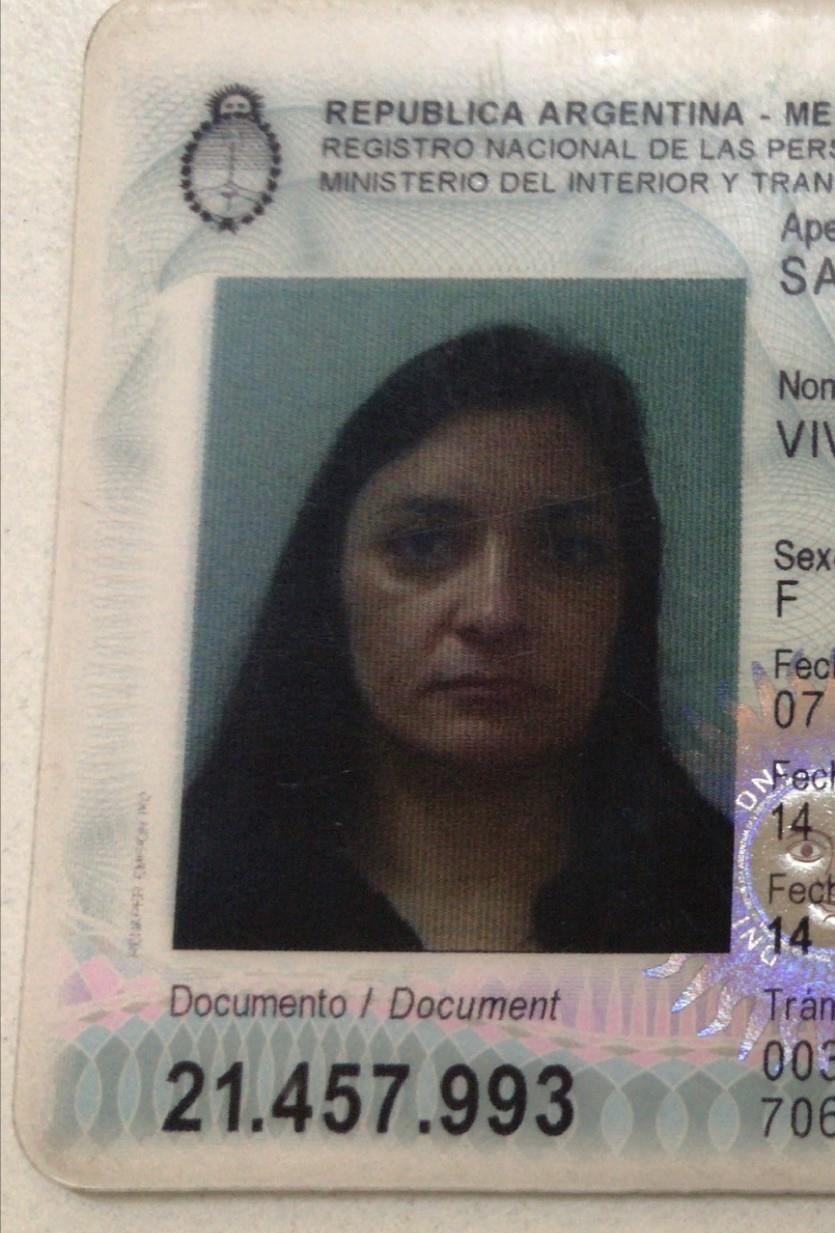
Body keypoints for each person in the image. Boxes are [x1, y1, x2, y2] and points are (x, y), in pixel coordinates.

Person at [175, 324, 733, 952]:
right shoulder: (186, 900)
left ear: (627, 601)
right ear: (330, 583)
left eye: (570, 551)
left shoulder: (739, 904)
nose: (495, 614)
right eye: (423, 545)